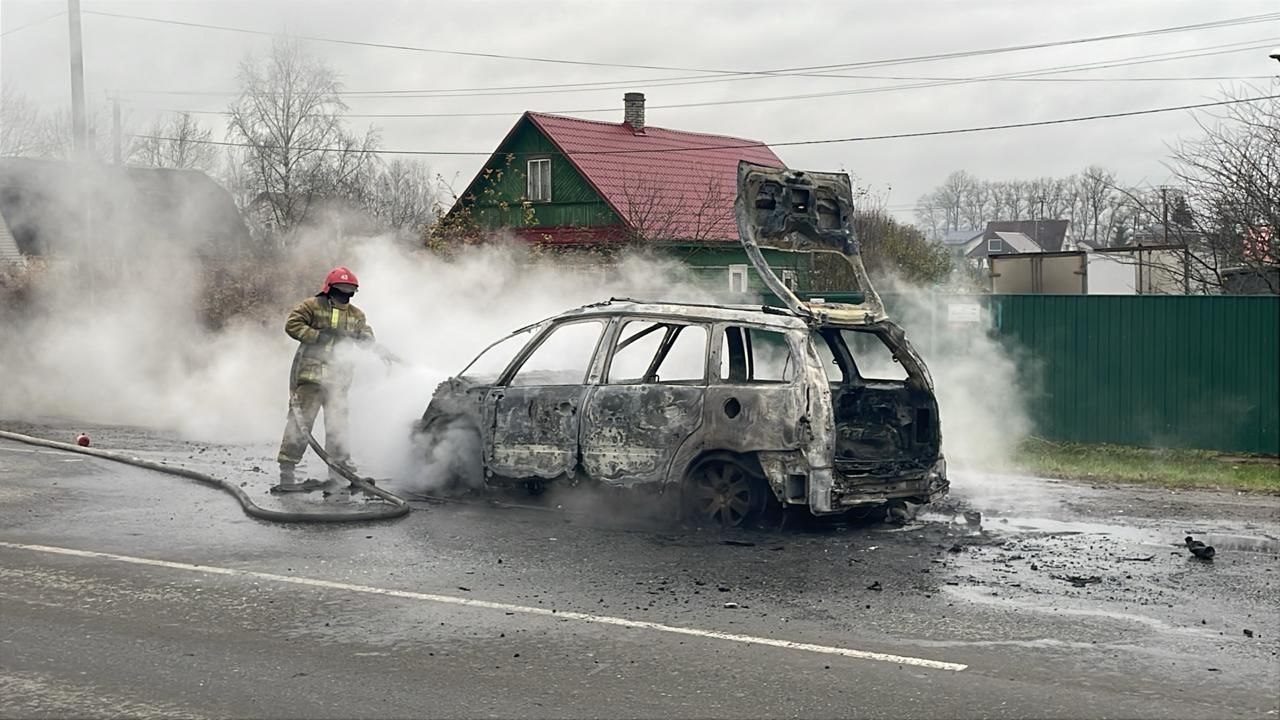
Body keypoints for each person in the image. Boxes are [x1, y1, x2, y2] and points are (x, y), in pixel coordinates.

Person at [274, 266, 383, 493]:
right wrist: (317, 335)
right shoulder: (311, 306)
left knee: (338, 428)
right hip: (310, 378)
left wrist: (363, 339)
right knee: (300, 423)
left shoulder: (356, 315)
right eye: (340, 290)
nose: (344, 295)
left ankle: (340, 473)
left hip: (339, 381)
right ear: (329, 289)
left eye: (349, 291)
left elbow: (368, 336)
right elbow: (292, 325)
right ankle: (287, 472)